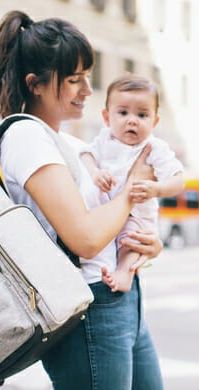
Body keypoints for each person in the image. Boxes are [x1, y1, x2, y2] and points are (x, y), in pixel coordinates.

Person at [0, 10, 165, 390]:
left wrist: (150, 245)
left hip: (123, 300)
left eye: (87, 75)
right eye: (73, 80)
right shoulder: (24, 138)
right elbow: (84, 237)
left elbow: (111, 224)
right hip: (88, 310)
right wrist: (132, 187)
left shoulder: (69, 144)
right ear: (35, 84)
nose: (88, 89)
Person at [80, 74, 184, 292]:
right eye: (123, 112)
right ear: (107, 117)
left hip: (136, 215)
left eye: (142, 114)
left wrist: (156, 188)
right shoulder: (103, 140)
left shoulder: (154, 147)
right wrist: (95, 173)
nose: (132, 120)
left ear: (155, 121)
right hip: (105, 214)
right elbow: (85, 155)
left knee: (131, 239)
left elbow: (178, 181)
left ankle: (124, 273)